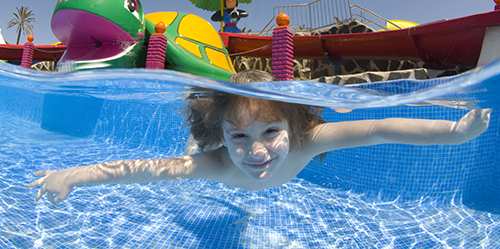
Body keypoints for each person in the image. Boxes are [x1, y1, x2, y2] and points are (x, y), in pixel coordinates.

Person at [29, 70, 492, 205]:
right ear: (227, 137)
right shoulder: (221, 163)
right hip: (212, 158)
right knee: (194, 156)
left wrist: (453, 131)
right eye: (240, 136)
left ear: (293, 125)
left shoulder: (312, 139)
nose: (256, 152)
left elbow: (376, 128)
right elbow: (146, 172)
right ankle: (205, 137)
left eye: (271, 131)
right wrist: (73, 174)